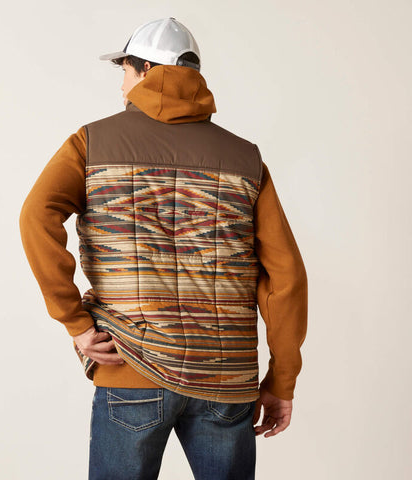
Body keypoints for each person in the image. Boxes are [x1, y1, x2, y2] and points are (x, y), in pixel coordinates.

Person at [19, 17, 308, 480]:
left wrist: (75, 323)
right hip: (225, 378)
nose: (122, 86)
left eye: (125, 72)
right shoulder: (245, 157)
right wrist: (283, 378)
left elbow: (35, 215)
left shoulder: (91, 142)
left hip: (130, 364)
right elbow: (286, 276)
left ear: (147, 70)